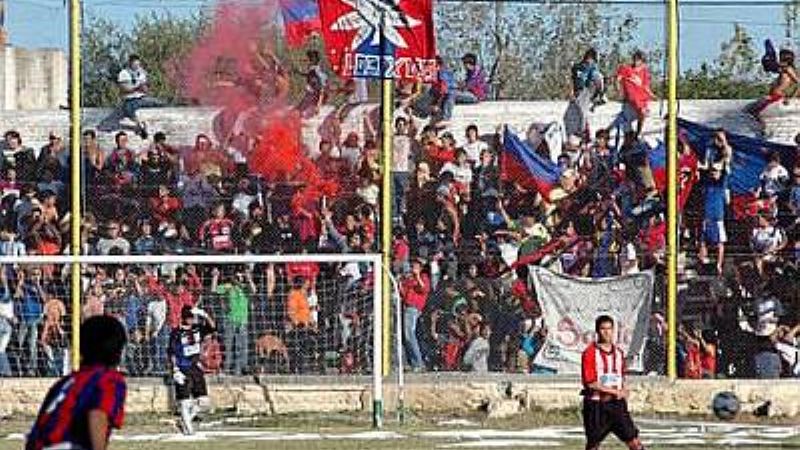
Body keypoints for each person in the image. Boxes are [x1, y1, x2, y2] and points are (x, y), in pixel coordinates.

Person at [26, 315, 127, 450]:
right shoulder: (108, 379)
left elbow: (37, 430)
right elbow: (97, 415)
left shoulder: (65, 382)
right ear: (119, 351)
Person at [581, 315, 645, 450]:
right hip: (597, 405)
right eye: (603, 329)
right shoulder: (590, 353)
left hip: (617, 405)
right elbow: (590, 383)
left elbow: (620, 377)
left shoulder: (619, 353)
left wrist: (623, 390)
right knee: (593, 443)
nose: (606, 332)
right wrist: (615, 391)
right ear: (597, 331)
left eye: (609, 329)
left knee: (634, 441)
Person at [168, 305, 216, 435]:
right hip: (182, 367)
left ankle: (185, 420)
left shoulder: (197, 328)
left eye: (192, 317)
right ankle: (188, 429)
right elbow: (171, 353)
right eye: (188, 317)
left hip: (195, 367)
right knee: (185, 401)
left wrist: (204, 314)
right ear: (183, 318)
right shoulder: (176, 332)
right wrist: (175, 370)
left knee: (203, 402)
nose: (191, 319)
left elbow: (212, 327)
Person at [116, 55, 164, 139]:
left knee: (159, 102)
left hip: (141, 98)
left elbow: (145, 87)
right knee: (128, 110)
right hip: (129, 99)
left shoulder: (142, 72)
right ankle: (140, 126)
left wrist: (145, 88)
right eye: (135, 65)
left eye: (138, 65)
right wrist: (136, 88)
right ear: (130, 63)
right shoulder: (123, 73)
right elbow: (124, 89)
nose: (137, 66)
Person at [747, 49, 799, 122]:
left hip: (776, 96)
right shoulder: (784, 69)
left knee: (751, 111)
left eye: (779, 57)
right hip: (774, 95)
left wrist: (791, 98)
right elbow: (772, 67)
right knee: (752, 111)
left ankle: (761, 125)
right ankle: (761, 125)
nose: (778, 59)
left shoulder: (788, 69)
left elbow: (798, 83)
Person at [613, 51, 656, 138]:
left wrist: (652, 95)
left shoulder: (644, 71)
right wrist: (618, 89)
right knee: (626, 122)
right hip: (630, 99)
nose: (636, 62)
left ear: (642, 61)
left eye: (639, 60)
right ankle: (630, 137)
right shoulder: (626, 69)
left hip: (641, 99)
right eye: (635, 60)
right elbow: (618, 79)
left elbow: (646, 86)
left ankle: (638, 133)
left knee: (642, 113)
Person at [565, 48, 605, 139]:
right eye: (593, 60)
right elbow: (572, 80)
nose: (593, 62)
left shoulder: (589, 68)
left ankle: (582, 134)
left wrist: (598, 94)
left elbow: (598, 81)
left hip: (584, 92)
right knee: (576, 115)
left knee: (581, 114)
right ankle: (580, 134)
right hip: (580, 92)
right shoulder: (580, 67)